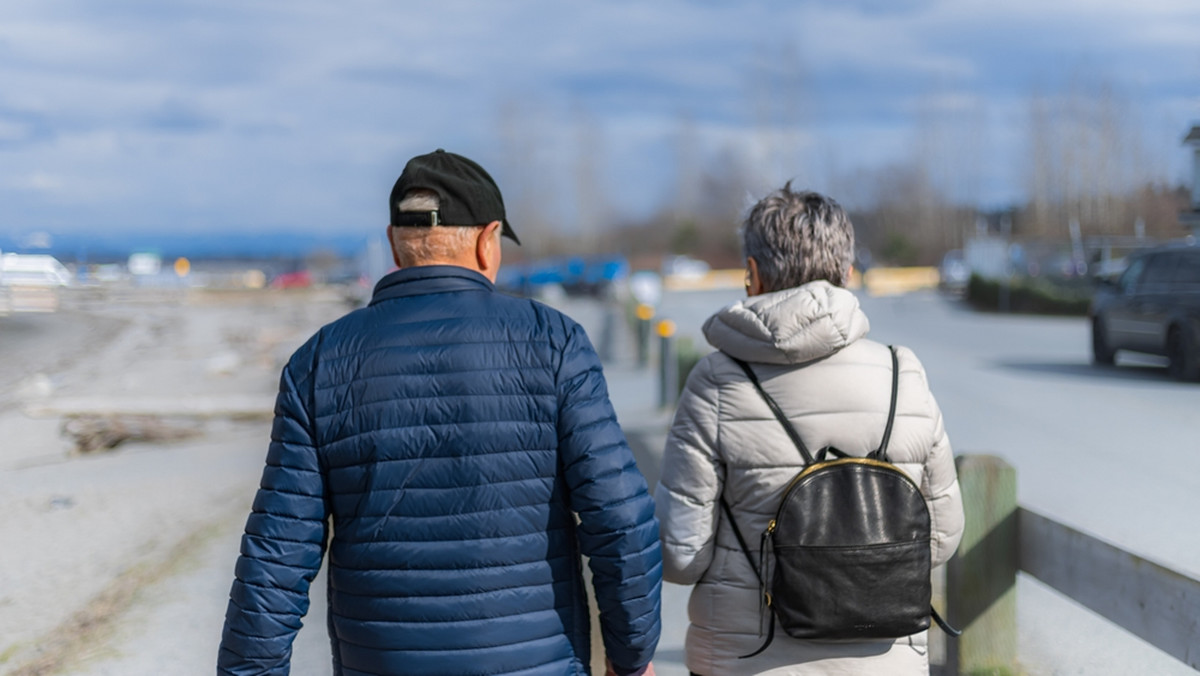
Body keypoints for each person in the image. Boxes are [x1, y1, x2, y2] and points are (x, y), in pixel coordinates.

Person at [218, 149, 662, 676]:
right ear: (485, 239)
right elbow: (619, 518)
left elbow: (277, 553)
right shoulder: (554, 343)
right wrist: (630, 656)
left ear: (393, 243)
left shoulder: (319, 362)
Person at [654, 185, 964, 675]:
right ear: (847, 273)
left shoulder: (715, 382)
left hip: (746, 661)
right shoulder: (904, 373)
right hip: (883, 662)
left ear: (752, 274)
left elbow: (680, 555)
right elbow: (942, 539)